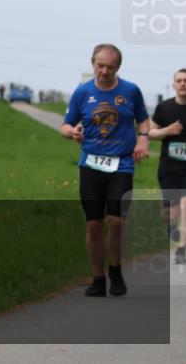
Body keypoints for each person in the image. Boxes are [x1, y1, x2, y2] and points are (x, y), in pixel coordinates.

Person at [60, 43, 150, 297]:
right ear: (92, 64)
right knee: (94, 225)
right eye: (100, 66)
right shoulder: (82, 93)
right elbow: (65, 125)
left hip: (121, 164)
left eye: (110, 67)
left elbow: (143, 119)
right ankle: (97, 279)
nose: (104, 71)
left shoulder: (131, 91)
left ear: (117, 68)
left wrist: (143, 139)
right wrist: (72, 132)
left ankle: (116, 269)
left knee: (116, 221)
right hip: (91, 164)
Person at [148, 68, 186, 264]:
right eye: (179, 81)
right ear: (174, 85)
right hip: (169, 168)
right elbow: (151, 133)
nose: (183, 84)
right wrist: (168, 130)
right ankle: (171, 229)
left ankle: (181, 250)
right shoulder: (164, 108)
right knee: (171, 212)